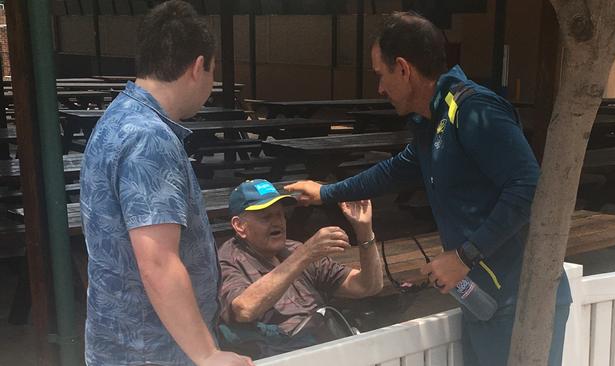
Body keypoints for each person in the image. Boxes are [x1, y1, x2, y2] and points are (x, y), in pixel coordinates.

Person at [284, 11, 572, 366]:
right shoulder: (432, 120)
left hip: (522, 299)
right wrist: (327, 192)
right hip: (484, 297)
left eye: (381, 75)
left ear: (403, 69)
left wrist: (464, 256)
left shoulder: (472, 109)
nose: (380, 88)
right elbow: (395, 171)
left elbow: (528, 186)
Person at [80, 1, 253, 365]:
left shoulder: (118, 115)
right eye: (213, 72)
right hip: (153, 349)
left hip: (123, 338)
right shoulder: (149, 138)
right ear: (198, 67)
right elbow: (157, 261)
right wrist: (207, 354)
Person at [217, 179, 383, 357]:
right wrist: (305, 255)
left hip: (325, 349)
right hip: (278, 357)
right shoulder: (227, 260)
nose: (277, 223)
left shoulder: (293, 249)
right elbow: (244, 309)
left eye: (280, 215)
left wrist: (364, 232)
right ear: (240, 226)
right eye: (266, 217)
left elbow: (367, 286)